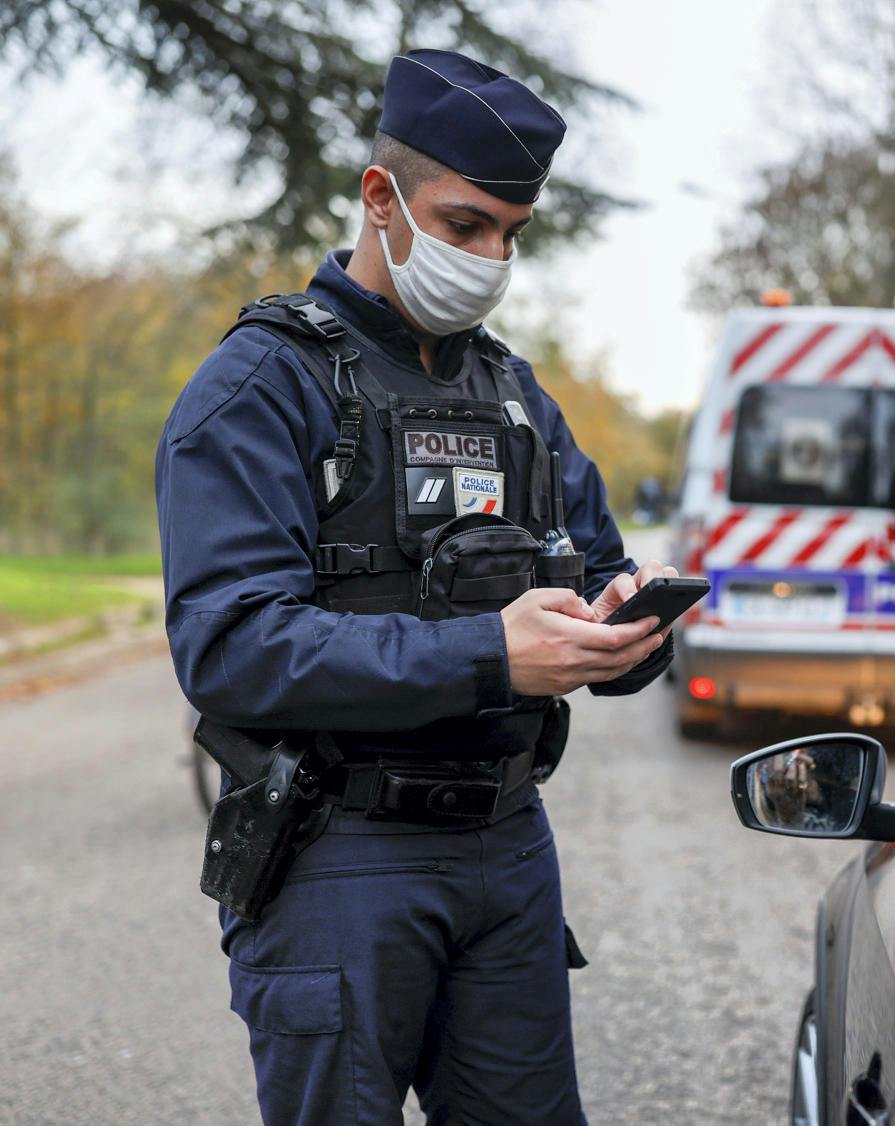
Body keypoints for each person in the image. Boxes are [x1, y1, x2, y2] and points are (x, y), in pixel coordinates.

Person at [156, 49, 676, 1124]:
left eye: (510, 235)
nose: (489, 259)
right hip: (337, 854)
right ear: (379, 198)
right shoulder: (263, 385)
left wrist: (633, 630)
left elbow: (598, 569)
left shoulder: (516, 394)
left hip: (507, 847)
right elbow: (231, 647)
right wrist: (490, 654)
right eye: (464, 224)